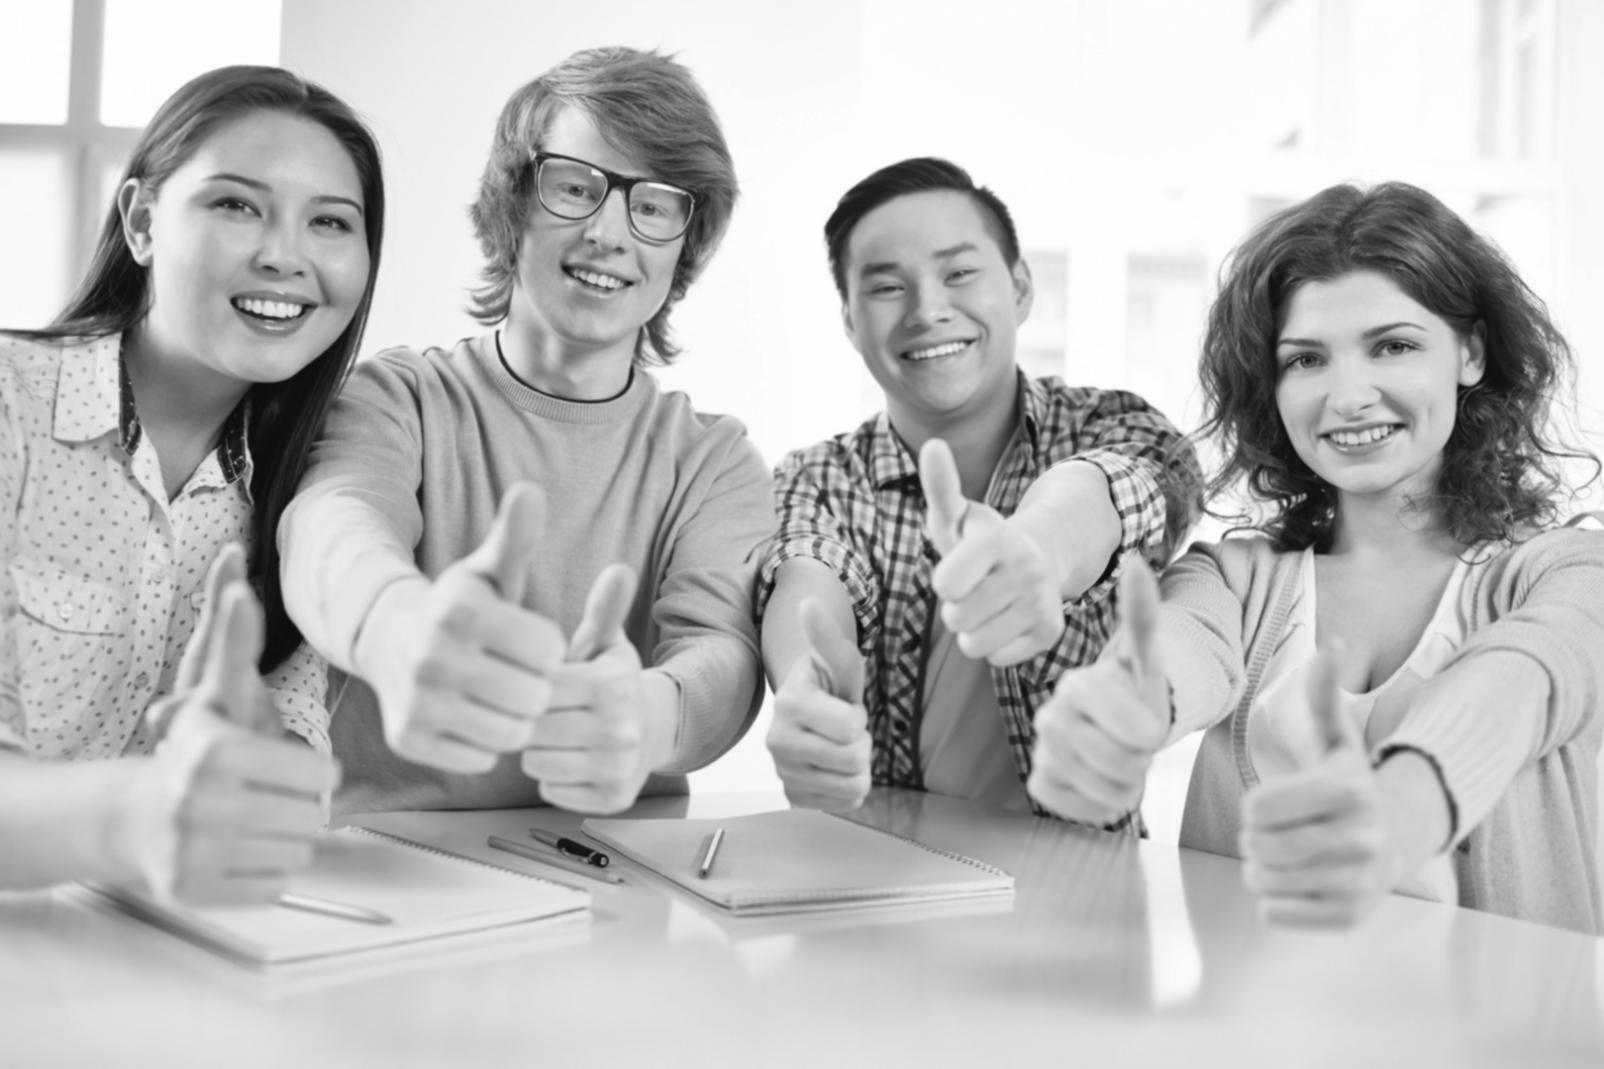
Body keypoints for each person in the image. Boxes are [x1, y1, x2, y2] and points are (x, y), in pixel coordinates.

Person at [1030, 181, 1604, 934]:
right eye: (1306, 360)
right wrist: (1119, 714)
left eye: (1393, 346)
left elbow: (1523, 680)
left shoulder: (1568, 575)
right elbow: (1177, 653)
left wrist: (1402, 807)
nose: (1347, 395)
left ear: (1469, 352)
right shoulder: (1233, 580)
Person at [281, 46, 772, 816]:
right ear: (513, 205)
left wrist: (647, 718)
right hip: (386, 866)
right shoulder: (399, 397)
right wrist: (396, 627)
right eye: (575, 187)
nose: (610, 232)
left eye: (653, 204)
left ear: (685, 241)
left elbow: (726, 653)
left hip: (620, 878)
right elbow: (330, 528)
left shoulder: (714, 460)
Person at [0, 65, 385, 901]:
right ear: (141, 222)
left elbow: (284, 751)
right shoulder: (9, 408)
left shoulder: (302, 493)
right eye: (236, 204)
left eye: (330, 222)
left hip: (146, 962)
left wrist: (256, 776)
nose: (285, 256)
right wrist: (139, 811)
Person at [758, 157, 1200, 821]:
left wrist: (1039, 552)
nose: (928, 309)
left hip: (1088, 900)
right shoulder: (817, 478)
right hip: (882, 891)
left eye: (959, 272)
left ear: (1021, 288)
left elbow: (1131, 486)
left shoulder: (1113, 423)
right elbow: (807, 578)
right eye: (886, 287)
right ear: (849, 321)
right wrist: (806, 693)